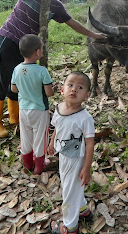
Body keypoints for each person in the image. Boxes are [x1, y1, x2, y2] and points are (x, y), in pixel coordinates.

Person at [0, 0, 104, 138]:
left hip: (28, 48)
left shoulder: (56, 6)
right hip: (9, 38)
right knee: (3, 78)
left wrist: (93, 35)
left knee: (20, 80)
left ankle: (14, 117)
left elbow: (72, 22)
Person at [48, 71, 95, 234]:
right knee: (71, 185)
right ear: (62, 90)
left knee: (68, 190)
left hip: (76, 159)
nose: (74, 89)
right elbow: (57, 127)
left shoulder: (85, 118)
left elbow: (90, 143)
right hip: (63, 155)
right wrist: (51, 142)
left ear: (87, 95)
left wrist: (86, 168)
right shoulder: (59, 108)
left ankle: (70, 226)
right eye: (70, 85)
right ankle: (83, 210)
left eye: (80, 87)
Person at [11, 34, 53, 174]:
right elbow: (49, 93)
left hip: (23, 109)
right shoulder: (42, 71)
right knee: (41, 137)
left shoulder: (17, 69)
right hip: (40, 110)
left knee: (26, 136)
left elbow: (13, 89)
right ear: (38, 52)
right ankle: (40, 166)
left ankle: (28, 164)